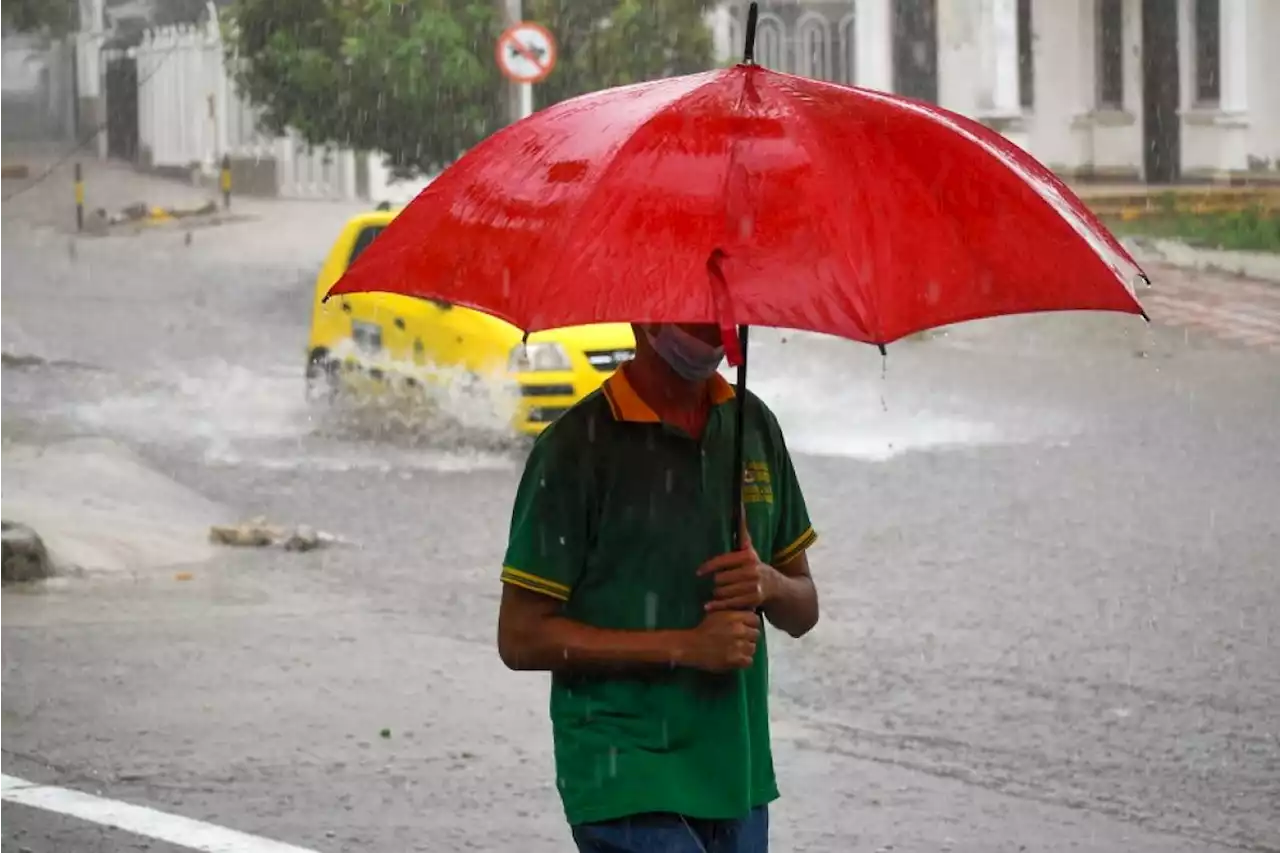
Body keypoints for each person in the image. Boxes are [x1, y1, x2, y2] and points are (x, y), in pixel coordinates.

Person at [497, 322, 820, 853]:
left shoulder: (753, 425)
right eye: (691, 306)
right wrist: (686, 648)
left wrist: (768, 584)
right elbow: (520, 636)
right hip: (626, 774)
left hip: (738, 777)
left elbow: (804, 609)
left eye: (720, 304)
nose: (711, 323)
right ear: (643, 314)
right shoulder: (576, 448)